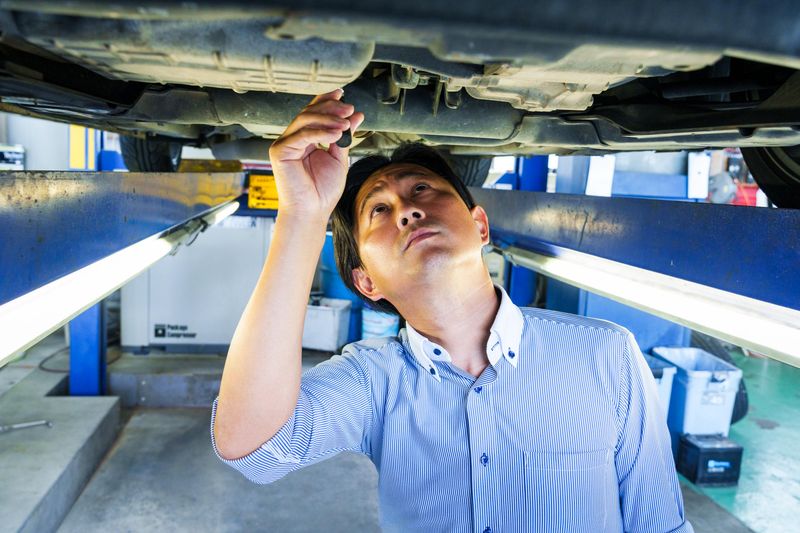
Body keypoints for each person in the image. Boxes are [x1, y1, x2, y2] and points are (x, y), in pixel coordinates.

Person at [211, 89, 693, 533]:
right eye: (379, 210)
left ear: (480, 226)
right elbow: (253, 447)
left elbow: (659, 526)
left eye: (422, 189)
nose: (406, 209)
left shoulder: (605, 353)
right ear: (366, 281)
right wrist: (302, 215)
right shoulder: (373, 381)